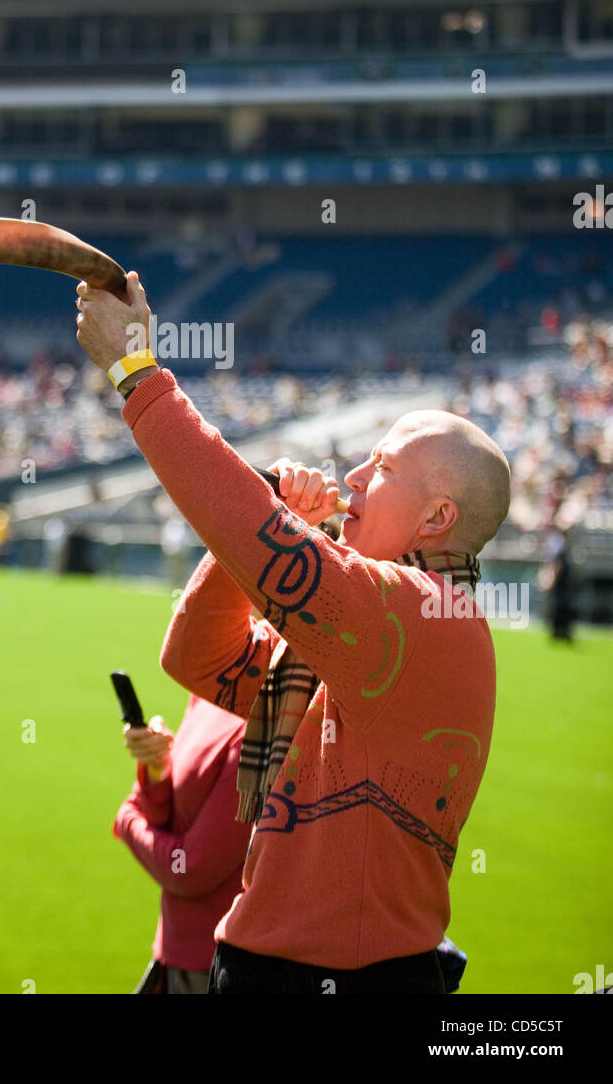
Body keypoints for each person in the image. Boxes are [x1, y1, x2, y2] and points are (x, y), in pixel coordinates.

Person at [75, 271, 510, 994]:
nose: (358, 475)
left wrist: (136, 374)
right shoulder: (368, 633)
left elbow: (259, 541)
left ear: (436, 520)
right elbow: (194, 656)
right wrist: (282, 522)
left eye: (385, 466)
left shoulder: (424, 615)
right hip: (273, 966)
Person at [114, 694, 248, 994]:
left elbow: (188, 869)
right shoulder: (210, 690)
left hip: (217, 969)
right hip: (175, 955)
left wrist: (127, 820)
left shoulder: (258, 727)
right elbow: (169, 816)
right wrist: (158, 768)